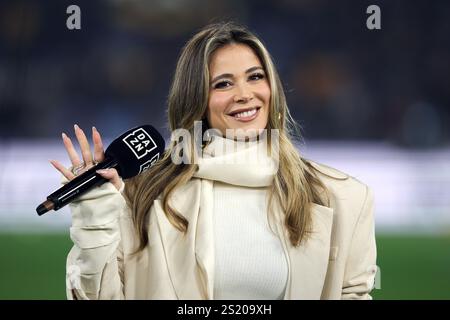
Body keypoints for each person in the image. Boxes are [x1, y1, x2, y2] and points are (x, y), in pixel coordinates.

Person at [50, 21, 377, 300]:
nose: (244, 94)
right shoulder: (140, 197)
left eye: (255, 77)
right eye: (223, 83)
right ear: (196, 98)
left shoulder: (345, 199)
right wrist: (93, 219)